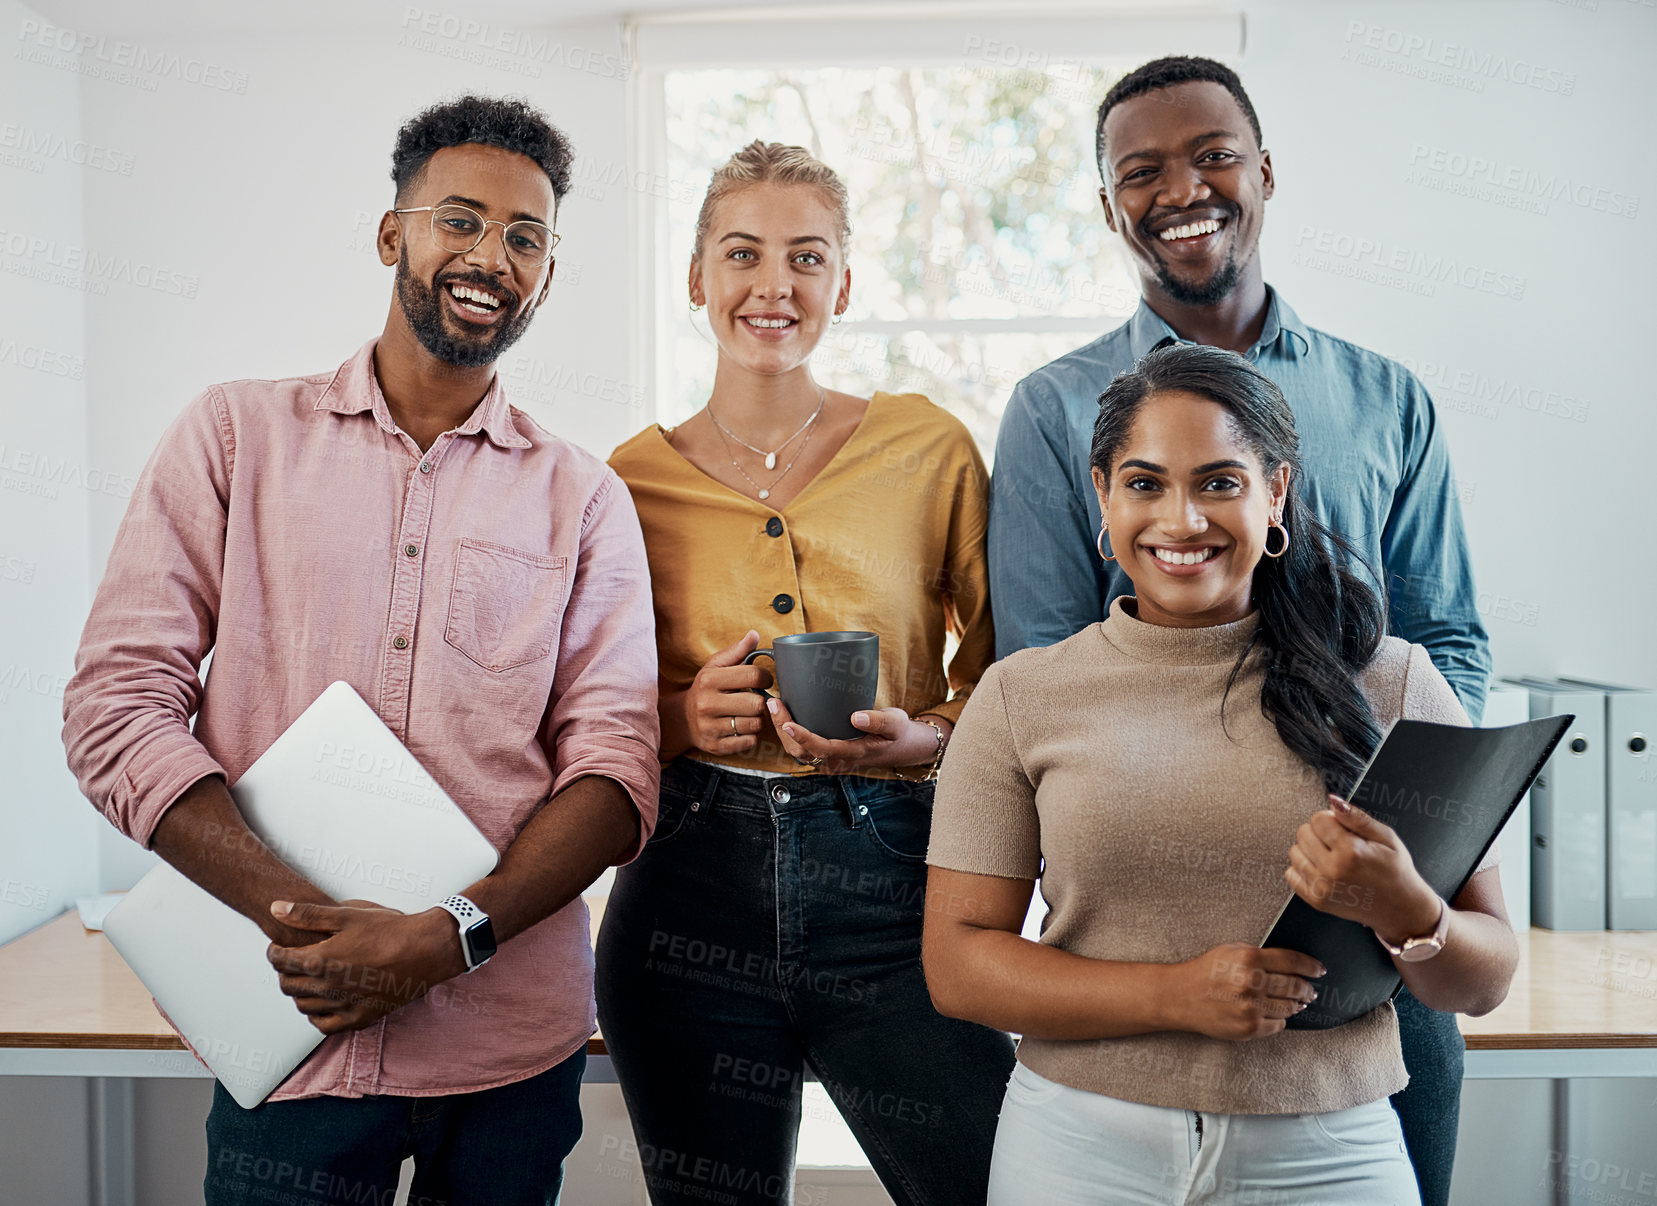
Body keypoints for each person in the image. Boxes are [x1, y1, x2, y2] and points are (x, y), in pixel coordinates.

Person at [60, 96, 661, 1206]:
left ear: (548, 274)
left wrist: (449, 938)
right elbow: (115, 711)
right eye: (461, 220)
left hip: (506, 1057)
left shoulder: (583, 496)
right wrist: (305, 926)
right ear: (394, 236)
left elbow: (616, 770)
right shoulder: (233, 435)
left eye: (526, 238)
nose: (491, 256)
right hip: (285, 1033)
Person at [987, 55, 1490, 1205]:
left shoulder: (1384, 398)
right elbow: (1044, 668)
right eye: (1141, 171)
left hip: (1377, 914)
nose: (1183, 189)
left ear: (1263, 170)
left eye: (1213, 155)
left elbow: (1447, 648)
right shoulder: (1055, 411)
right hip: (1145, 939)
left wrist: (1391, 865)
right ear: (1108, 205)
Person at [926, 343, 1517, 1204]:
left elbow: (1486, 978)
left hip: (1330, 1152)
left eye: (1218, 482)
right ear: (1101, 495)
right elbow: (958, 966)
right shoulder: (1022, 695)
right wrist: (1173, 995)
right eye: (1143, 483)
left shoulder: (1392, 682)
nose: (1180, 520)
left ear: (1274, 491)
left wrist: (1406, 907)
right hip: (1078, 1149)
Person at [596, 140, 1016, 1206]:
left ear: (843, 281)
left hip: (899, 877)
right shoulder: (624, 482)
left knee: (986, 1187)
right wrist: (685, 717)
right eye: (741, 254)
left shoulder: (929, 447)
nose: (772, 285)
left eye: (806, 257)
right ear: (697, 279)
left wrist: (926, 740)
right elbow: (582, 707)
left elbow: (1024, 673)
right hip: (687, 885)